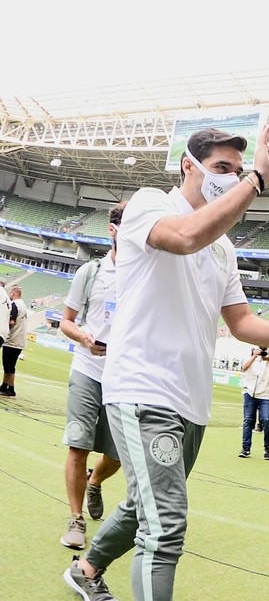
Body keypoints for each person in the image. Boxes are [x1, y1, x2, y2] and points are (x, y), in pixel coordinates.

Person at [63, 125, 269, 601]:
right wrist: (256, 181)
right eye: (221, 169)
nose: (231, 178)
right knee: (166, 524)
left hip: (193, 403)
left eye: (236, 170)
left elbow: (242, 321)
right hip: (143, 390)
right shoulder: (150, 203)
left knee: (143, 504)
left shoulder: (224, 247)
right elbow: (185, 237)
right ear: (188, 165)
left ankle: (87, 569)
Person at [58, 206, 125, 551]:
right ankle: (75, 518)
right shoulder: (91, 271)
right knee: (78, 444)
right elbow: (66, 321)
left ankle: (95, 481)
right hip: (86, 368)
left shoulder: (147, 274)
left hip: (125, 377)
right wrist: (84, 337)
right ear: (114, 230)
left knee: (115, 457)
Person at [239, 346, 269, 460]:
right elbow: (244, 368)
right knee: (248, 420)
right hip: (250, 392)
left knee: (266, 419)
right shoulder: (252, 352)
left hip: (266, 394)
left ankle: (267, 448)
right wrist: (254, 356)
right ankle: (245, 448)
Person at [2, 285, 27, 396]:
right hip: (19, 340)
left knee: (8, 365)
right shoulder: (23, 305)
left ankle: (10, 388)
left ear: (13, 293)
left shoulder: (14, 305)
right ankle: (5, 385)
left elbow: (12, 322)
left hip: (12, 340)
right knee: (10, 365)